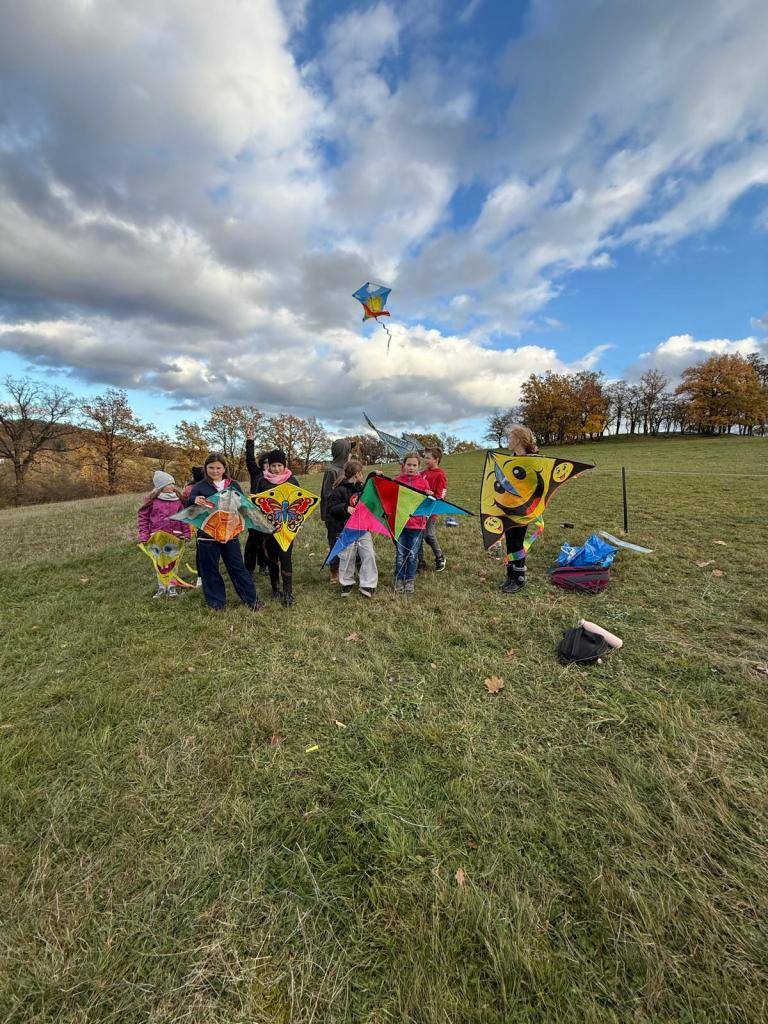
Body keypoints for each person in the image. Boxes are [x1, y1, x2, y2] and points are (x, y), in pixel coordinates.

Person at [185, 453, 264, 612]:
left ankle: (251, 600)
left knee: (237, 567)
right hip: (207, 536)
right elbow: (189, 502)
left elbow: (242, 505)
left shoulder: (233, 484)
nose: (215, 471)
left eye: (218, 468)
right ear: (206, 468)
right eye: (211, 468)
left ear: (224, 468)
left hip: (230, 534)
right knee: (210, 569)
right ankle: (216, 603)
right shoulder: (199, 486)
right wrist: (195, 500)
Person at [253, 449, 300, 607]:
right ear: (269, 466)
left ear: (284, 465)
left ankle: (288, 591)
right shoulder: (263, 481)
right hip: (268, 528)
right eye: (273, 465)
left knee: (285, 557)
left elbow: (298, 503)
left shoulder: (291, 480)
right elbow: (257, 503)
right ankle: (275, 587)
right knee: (272, 558)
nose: (277, 469)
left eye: (280, 465)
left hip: (286, 528)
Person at [326, 459, 378, 598]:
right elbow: (330, 508)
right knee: (347, 557)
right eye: (361, 473)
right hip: (346, 531)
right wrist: (344, 508)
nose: (362, 475)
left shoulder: (361, 488)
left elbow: (369, 492)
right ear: (356, 474)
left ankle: (368, 584)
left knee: (369, 554)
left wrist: (373, 475)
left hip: (362, 529)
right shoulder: (339, 490)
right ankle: (346, 583)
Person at [137, 471, 191, 597]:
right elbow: (143, 519)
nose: (172, 486)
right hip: (156, 537)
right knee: (160, 562)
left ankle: (171, 587)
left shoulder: (178, 500)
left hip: (174, 537)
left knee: (172, 561)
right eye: (169, 484)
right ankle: (162, 587)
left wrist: (186, 533)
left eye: (173, 483)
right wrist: (144, 535)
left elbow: (183, 518)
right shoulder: (152, 500)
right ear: (161, 486)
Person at [501, 425, 539, 595]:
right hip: (508, 506)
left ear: (518, 439)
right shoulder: (511, 458)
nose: (508, 441)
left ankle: (519, 577)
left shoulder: (534, 459)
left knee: (517, 542)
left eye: (510, 438)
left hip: (523, 508)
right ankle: (510, 575)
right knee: (510, 541)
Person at [393, 453, 432, 594]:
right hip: (401, 523)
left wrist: (429, 495)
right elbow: (390, 497)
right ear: (404, 465)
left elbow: (429, 503)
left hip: (417, 525)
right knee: (400, 553)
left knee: (412, 554)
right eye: (408, 464)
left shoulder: (423, 483)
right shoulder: (397, 480)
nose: (411, 467)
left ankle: (410, 579)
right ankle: (399, 578)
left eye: (414, 465)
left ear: (419, 467)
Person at [320, 438, 353, 583]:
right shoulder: (332, 471)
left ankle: (346, 568)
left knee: (347, 541)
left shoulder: (347, 470)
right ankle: (334, 571)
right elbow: (327, 494)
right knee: (334, 543)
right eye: (349, 451)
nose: (351, 454)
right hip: (333, 515)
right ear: (343, 452)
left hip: (345, 513)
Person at [244, 427, 270, 577]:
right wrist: (250, 441)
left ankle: (264, 564)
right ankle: (249, 568)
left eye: (269, 463)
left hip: (268, 512)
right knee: (253, 542)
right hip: (254, 511)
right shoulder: (256, 473)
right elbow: (249, 458)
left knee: (265, 541)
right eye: (264, 463)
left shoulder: (274, 476)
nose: (267, 466)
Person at [417, 446, 448, 573]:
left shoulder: (440, 475)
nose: (425, 460)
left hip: (432, 510)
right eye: (425, 457)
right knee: (418, 535)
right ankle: (420, 561)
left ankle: (440, 557)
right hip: (420, 509)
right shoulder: (423, 473)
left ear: (436, 459)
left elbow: (441, 494)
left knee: (428, 535)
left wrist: (432, 494)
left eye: (428, 458)